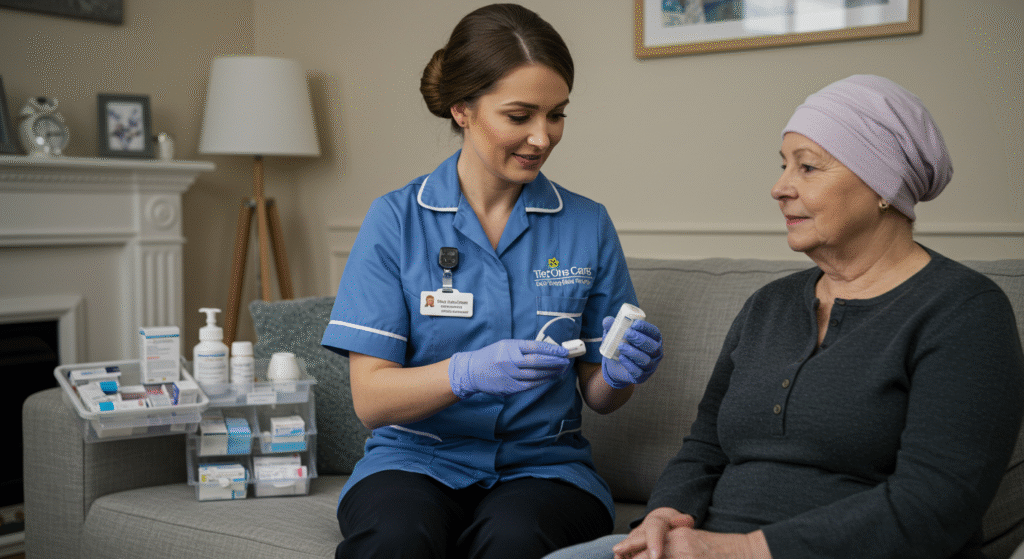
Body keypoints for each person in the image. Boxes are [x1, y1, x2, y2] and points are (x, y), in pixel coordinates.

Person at [544, 74, 1024, 559]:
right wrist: (666, 513)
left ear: (885, 185)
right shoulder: (769, 305)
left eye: (808, 168)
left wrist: (741, 551)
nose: (779, 188)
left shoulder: (963, 311)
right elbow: (704, 447)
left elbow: (934, 508)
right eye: (783, 166)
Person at [320, 4, 664, 558]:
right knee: (395, 539)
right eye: (519, 115)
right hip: (414, 459)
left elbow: (599, 396)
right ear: (462, 109)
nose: (542, 136)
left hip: (545, 468)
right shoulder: (397, 221)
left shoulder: (587, 224)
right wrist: (467, 372)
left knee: (514, 539)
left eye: (556, 115)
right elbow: (372, 399)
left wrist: (623, 374)